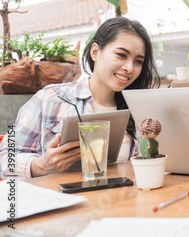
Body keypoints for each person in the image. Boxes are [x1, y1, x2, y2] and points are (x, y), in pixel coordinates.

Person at [0, 17, 160, 180]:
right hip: (62, 202)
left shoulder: (137, 110)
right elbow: (5, 159)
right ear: (95, 52)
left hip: (120, 202)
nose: (129, 68)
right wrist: (41, 166)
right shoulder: (51, 98)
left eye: (138, 61)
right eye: (121, 55)